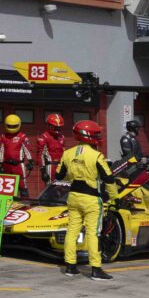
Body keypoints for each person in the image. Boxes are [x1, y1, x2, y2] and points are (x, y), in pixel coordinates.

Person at [57, 120, 114, 280]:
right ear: (89, 136)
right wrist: (114, 197)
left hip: (73, 197)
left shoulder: (67, 153)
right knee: (93, 233)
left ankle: (70, 266)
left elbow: (59, 175)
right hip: (91, 199)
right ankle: (96, 269)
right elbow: (108, 179)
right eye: (96, 134)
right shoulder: (97, 156)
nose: (98, 137)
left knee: (72, 231)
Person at [36, 112, 68, 194]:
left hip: (61, 166)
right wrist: (43, 171)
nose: (58, 129)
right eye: (56, 127)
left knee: (62, 188)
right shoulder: (44, 137)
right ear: (50, 125)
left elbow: (64, 152)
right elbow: (40, 155)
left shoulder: (62, 137)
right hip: (50, 166)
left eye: (59, 127)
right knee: (50, 188)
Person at [0, 113, 32, 180]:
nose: (12, 128)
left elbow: (27, 150)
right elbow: (1, 151)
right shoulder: (4, 137)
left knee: (22, 186)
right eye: (10, 126)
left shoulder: (22, 136)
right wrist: (0, 165)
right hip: (6, 165)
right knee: (7, 188)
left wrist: (30, 161)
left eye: (14, 126)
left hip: (18, 165)